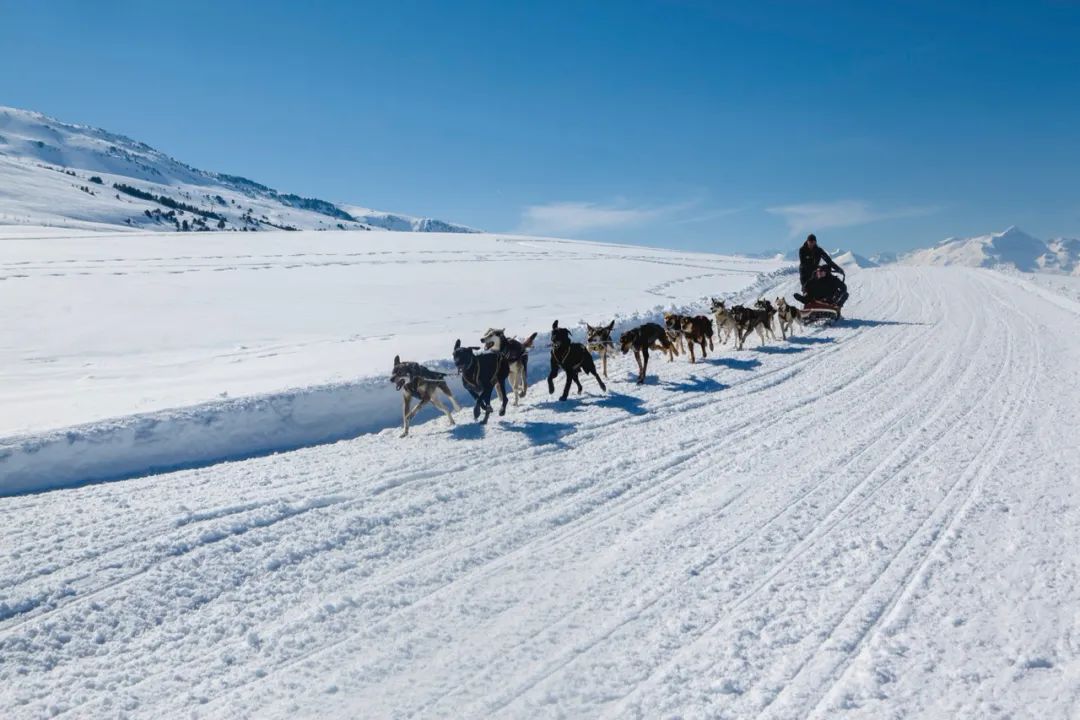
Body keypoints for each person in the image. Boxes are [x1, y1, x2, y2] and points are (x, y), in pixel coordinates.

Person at [794, 233, 848, 307]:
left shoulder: (819, 250)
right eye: (810, 242)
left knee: (824, 282)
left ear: (815, 242)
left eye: (813, 242)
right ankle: (806, 301)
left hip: (816, 273)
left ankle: (830, 302)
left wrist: (838, 269)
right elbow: (804, 263)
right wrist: (818, 268)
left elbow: (828, 261)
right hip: (805, 273)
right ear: (807, 241)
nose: (811, 244)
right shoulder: (802, 250)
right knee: (807, 288)